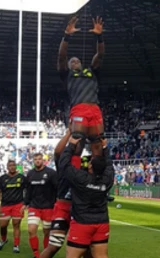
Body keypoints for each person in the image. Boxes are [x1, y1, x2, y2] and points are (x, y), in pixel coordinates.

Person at [27, 130, 106, 258]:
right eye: (77, 142)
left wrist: (96, 137)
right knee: (54, 245)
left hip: (81, 208)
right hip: (63, 207)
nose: (79, 144)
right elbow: (57, 151)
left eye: (81, 143)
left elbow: (99, 158)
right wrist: (70, 133)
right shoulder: (63, 158)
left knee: (85, 248)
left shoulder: (87, 161)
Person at [55, 135, 121, 258]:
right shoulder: (107, 179)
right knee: (102, 257)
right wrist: (105, 149)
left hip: (82, 223)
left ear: (90, 167)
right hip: (101, 222)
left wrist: (71, 145)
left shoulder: (80, 178)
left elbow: (63, 165)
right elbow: (109, 166)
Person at [58, 15, 105, 158]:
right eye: (72, 61)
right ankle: (72, 172)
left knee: (97, 143)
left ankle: (97, 176)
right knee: (77, 142)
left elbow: (100, 54)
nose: (75, 61)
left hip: (95, 108)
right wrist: (66, 36)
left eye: (77, 60)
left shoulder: (91, 71)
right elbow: (62, 56)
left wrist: (99, 37)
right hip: (79, 108)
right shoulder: (67, 74)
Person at [24, 153, 58, 258]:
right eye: (35, 159)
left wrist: (57, 203)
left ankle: (45, 255)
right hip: (34, 206)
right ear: (33, 161)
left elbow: (57, 189)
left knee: (47, 232)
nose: (37, 161)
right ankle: (36, 255)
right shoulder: (30, 174)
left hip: (48, 207)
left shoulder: (51, 173)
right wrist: (25, 203)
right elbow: (28, 190)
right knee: (31, 230)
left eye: (39, 159)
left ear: (43, 160)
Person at [0, 160, 26, 253]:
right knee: (3, 225)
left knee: (16, 224)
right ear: (7, 167)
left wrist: (25, 203)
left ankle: (16, 245)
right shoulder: (2, 178)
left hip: (18, 205)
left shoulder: (22, 178)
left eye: (13, 165)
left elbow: (28, 190)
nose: (12, 167)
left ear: (16, 167)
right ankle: (3, 239)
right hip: (5, 205)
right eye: (10, 165)